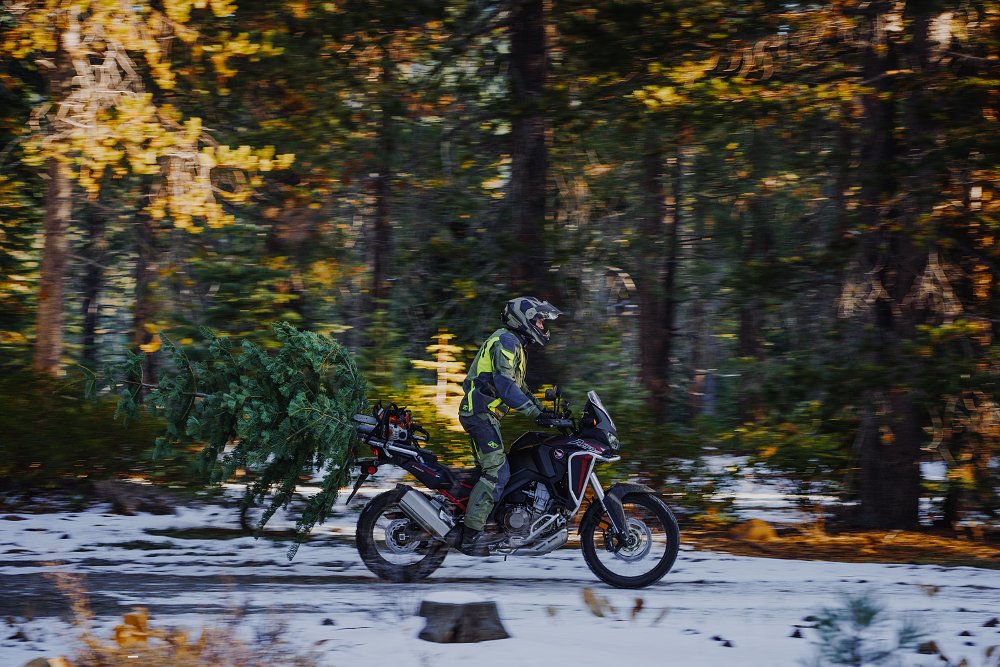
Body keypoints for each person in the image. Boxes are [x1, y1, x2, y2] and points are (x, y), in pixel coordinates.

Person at [456, 296, 561, 554]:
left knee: (504, 468)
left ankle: (492, 519)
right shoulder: (506, 340)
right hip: (479, 413)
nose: (542, 325)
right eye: (538, 320)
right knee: (497, 470)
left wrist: (545, 413)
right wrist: (534, 413)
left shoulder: (516, 345)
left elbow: (520, 388)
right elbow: (505, 386)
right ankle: (471, 534)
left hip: (486, 415)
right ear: (523, 319)